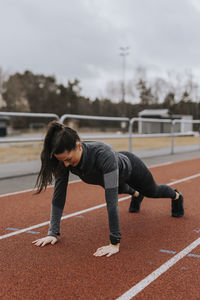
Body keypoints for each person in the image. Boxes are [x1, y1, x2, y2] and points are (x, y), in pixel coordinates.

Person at [32, 121, 184, 257]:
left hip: (132, 169)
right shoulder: (64, 161)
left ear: (78, 145)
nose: (65, 165)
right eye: (62, 161)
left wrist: (114, 242)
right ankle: (136, 194)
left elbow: (111, 202)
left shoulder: (103, 154)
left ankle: (176, 196)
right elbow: (59, 196)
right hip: (108, 178)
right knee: (118, 188)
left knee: (152, 191)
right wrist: (53, 233)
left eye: (68, 160)